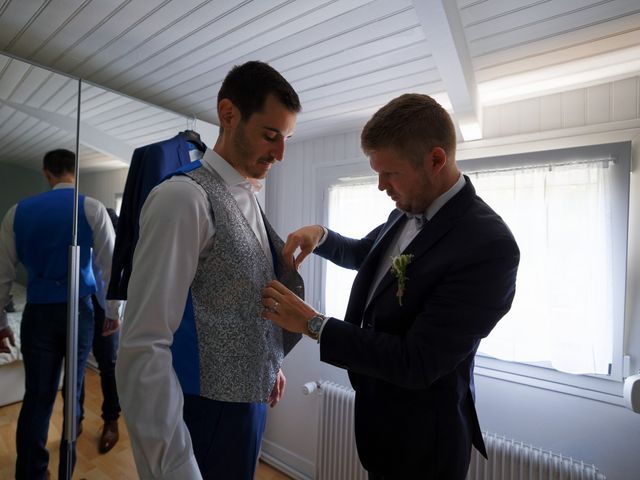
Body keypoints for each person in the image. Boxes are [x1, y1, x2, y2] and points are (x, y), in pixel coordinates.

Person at [262, 93, 520, 480]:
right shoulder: (410, 206)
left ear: (436, 160)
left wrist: (315, 324)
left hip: (424, 444)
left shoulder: (489, 245)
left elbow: (417, 362)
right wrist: (323, 235)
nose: (381, 186)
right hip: (380, 424)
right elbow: (368, 255)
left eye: (390, 174)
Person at [116, 61, 303, 480]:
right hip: (206, 412)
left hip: (248, 402)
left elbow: (240, 292)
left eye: (287, 139)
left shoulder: (247, 195)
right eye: (271, 136)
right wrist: (174, 466)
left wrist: (269, 362)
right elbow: (143, 344)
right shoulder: (182, 199)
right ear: (228, 114)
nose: (280, 153)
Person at [0, 149, 122, 480]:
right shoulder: (92, 207)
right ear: (74, 171)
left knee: (38, 394)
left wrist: (0, 322)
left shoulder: (16, 212)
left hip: (38, 312)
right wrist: (112, 312)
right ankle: (72, 439)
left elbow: (3, 275)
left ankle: (32, 472)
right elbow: (112, 266)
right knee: (75, 378)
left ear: (46, 172)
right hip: (78, 309)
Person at [78, 207, 122, 454]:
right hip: (82, 304)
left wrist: (113, 313)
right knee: (78, 363)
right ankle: (75, 419)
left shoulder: (115, 239)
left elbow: (114, 277)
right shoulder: (83, 239)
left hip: (106, 308)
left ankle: (111, 420)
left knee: (109, 365)